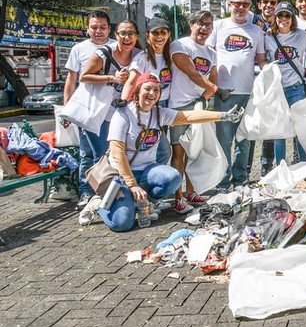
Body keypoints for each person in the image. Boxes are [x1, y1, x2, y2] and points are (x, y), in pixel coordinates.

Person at [84, 74, 243, 232]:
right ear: (138, 91)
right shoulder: (123, 114)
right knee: (122, 224)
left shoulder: (158, 113)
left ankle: (142, 202)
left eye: (156, 90)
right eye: (147, 89)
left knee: (173, 178)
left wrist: (223, 116)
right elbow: (117, 153)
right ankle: (99, 203)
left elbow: (188, 116)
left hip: (146, 171)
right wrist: (132, 185)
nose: (152, 94)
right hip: (121, 175)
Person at [207, 0, 266, 190]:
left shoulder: (256, 31)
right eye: (237, 3)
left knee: (244, 139)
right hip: (223, 92)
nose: (240, 8)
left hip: (248, 93)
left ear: (250, 7)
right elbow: (208, 56)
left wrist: (271, 76)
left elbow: (261, 60)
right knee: (224, 139)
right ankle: (222, 181)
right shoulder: (218, 25)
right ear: (229, 4)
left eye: (245, 4)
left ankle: (240, 179)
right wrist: (210, 87)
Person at [79, 20, 142, 205]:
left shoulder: (139, 55)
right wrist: (111, 78)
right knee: (100, 156)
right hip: (101, 113)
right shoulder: (103, 53)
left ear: (137, 37)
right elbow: (83, 76)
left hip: (125, 112)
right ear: (116, 36)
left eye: (131, 33)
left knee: (121, 155)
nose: (127, 37)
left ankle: (116, 194)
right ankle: (97, 195)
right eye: (122, 33)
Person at [168, 9, 220, 213]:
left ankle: (192, 192)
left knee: (196, 150)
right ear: (192, 25)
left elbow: (213, 78)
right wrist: (215, 90)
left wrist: (206, 97)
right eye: (201, 23)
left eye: (208, 25)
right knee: (179, 151)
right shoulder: (180, 45)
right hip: (180, 105)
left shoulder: (211, 53)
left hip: (200, 105)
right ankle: (177, 196)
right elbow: (192, 72)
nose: (204, 28)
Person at [63, 10, 115, 207]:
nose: (98, 31)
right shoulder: (79, 49)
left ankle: (107, 191)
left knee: (108, 152)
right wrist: (66, 108)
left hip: (112, 110)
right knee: (87, 153)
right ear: (87, 29)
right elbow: (71, 80)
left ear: (109, 29)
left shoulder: (116, 47)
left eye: (102, 27)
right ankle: (86, 192)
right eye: (94, 27)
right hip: (87, 109)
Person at [265, 2, 306, 163]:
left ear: (293, 18)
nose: (284, 19)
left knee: (300, 128)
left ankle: (303, 164)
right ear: (275, 17)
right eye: (280, 15)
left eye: (288, 15)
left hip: (296, 87)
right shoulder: (268, 37)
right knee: (280, 131)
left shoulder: (301, 35)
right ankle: (281, 166)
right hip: (278, 88)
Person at [122, 17, 174, 165]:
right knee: (163, 151)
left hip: (163, 106)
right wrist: (123, 103)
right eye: (155, 33)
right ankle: (151, 181)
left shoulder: (168, 56)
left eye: (163, 32)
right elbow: (131, 82)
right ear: (148, 36)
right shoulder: (142, 58)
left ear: (168, 34)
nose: (159, 36)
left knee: (156, 150)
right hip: (147, 108)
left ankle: (153, 180)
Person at [252, 0, 279, 174]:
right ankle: (244, 168)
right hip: (252, 78)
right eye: (266, 2)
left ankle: (266, 166)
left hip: (273, 79)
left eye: (273, 2)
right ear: (259, 4)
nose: (269, 5)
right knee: (251, 123)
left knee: (271, 124)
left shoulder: (282, 23)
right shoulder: (251, 21)